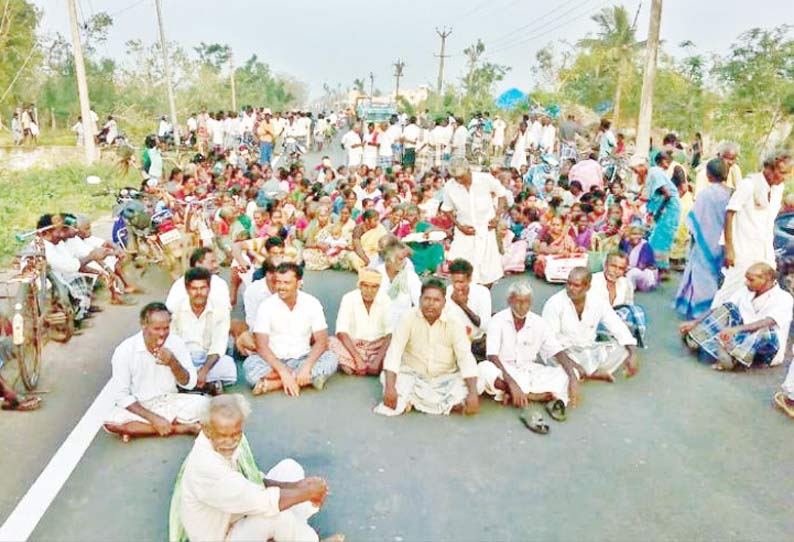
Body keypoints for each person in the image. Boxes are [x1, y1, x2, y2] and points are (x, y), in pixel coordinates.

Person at [171, 395, 335, 542]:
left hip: (236, 515)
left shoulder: (231, 439)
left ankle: (290, 534)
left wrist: (298, 486)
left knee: (290, 468)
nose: (230, 442)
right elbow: (264, 501)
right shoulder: (206, 468)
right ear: (206, 430)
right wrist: (307, 492)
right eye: (222, 436)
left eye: (235, 434)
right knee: (278, 515)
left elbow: (254, 479)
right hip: (221, 535)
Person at [374, 279, 480, 416]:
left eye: (436, 300)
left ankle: (412, 401)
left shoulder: (454, 322)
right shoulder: (407, 318)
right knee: (388, 378)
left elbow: (465, 358)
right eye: (427, 299)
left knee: (479, 377)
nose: (431, 304)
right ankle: (449, 405)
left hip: (445, 378)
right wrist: (390, 388)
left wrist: (473, 393)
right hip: (413, 376)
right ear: (420, 300)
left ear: (444, 303)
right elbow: (394, 352)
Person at [104, 302, 207, 441]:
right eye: (157, 329)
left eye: (166, 328)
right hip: (141, 406)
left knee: (206, 405)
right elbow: (122, 396)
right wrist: (154, 419)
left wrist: (173, 363)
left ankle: (141, 429)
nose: (162, 334)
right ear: (144, 326)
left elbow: (189, 384)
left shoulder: (176, 343)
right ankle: (180, 428)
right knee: (110, 421)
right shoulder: (125, 350)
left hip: (170, 400)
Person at [478, 281, 580, 412]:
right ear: (509, 301)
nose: (522, 307)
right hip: (504, 370)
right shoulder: (497, 321)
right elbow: (492, 356)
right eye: (518, 302)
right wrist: (512, 384)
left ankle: (518, 393)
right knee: (483, 369)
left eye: (526, 302)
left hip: (530, 371)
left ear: (531, 302)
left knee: (571, 371)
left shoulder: (539, 323)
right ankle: (529, 395)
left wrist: (572, 378)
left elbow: (557, 351)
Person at [243, 262, 339, 396]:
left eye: (287, 283)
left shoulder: (312, 303)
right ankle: (305, 379)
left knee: (331, 358)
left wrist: (306, 367)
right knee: (250, 365)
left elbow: (321, 341)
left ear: (299, 283)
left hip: (303, 358)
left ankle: (274, 383)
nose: (281, 287)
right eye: (278, 282)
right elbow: (261, 346)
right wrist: (282, 371)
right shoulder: (266, 306)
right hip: (274, 360)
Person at [712, 149, 790, 306]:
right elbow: (730, 213)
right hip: (743, 251)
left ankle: (742, 325)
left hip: (764, 251)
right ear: (769, 167)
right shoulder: (749, 185)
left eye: (787, 174)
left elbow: (769, 216)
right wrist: (729, 249)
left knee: (765, 292)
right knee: (730, 291)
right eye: (782, 172)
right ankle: (708, 325)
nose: (784, 178)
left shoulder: (777, 189)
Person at [680, 262, 793, 371]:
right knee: (728, 308)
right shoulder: (745, 290)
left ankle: (733, 359)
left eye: (751, 280)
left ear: (767, 280)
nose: (746, 283)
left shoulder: (785, 298)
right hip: (741, 335)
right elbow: (720, 308)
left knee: (764, 331)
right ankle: (701, 339)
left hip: (764, 346)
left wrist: (735, 330)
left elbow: (766, 322)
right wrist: (695, 322)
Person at [542, 267, 639, 380]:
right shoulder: (554, 303)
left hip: (587, 348)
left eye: (576, 285)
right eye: (568, 284)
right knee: (552, 356)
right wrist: (571, 363)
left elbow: (617, 325)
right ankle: (590, 373)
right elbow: (550, 341)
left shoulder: (597, 301)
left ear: (587, 287)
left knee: (622, 350)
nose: (570, 288)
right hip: (563, 351)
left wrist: (633, 353)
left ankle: (583, 373)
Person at [674, 158, 732, 319]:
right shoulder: (731, 194)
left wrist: (694, 236)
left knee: (701, 275)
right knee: (714, 276)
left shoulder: (705, 194)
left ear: (708, 175)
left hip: (704, 241)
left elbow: (694, 219)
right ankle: (709, 308)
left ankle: (699, 311)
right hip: (722, 243)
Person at [170, 267, 237, 394]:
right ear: (187, 289)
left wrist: (204, 371)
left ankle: (187, 385)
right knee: (163, 368)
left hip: (208, 359)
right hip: (183, 359)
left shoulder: (220, 309)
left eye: (203, 288)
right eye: (194, 289)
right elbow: (173, 344)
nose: (199, 293)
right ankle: (205, 386)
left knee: (229, 367)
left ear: (209, 288)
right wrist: (185, 368)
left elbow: (218, 346)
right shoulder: (174, 309)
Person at [442, 157, 506, 286]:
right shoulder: (450, 186)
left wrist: (497, 217)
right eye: (455, 177)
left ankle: (483, 298)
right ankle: (463, 298)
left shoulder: (485, 179)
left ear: (468, 170)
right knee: (459, 267)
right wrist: (459, 226)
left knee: (488, 272)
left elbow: (501, 195)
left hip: (486, 230)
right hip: (465, 232)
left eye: (461, 177)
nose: (458, 180)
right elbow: (447, 209)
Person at [329, 269, 392, 376]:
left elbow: (390, 333)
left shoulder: (385, 300)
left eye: (374, 287)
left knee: (399, 349)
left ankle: (354, 365)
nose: (369, 291)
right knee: (329, 342)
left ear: (379, 288)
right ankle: (364, 364)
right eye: (366, 286)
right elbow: (341, 332)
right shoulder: (349, 298)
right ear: (359, 286)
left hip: (377, 347)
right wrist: (358, 359)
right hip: (354, 346)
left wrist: (377, 360)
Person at [591, 252, 647, 347]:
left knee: (636, 310)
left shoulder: (626, 283)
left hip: (614, 319)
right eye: (613, 266)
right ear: (605, 265)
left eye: (621, 268)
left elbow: (628, 306)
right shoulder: (592, 281)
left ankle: (623, 339)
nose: (616, 271)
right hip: (594, 320)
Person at [445, 258, 492, 360]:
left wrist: (462, 305)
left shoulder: (482, 293)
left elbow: (485, 326)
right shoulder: (448, 291)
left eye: (461, 282)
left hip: (476, 343)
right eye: (454, 282)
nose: (457, 286)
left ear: (470, 279)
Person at [644, 152, 681, 277]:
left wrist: (658, 213)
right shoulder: (656, 172)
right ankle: (659, 268)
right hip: (669, 208)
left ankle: (660, 268)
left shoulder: (655, 172)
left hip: (668, 209)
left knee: (660, 237)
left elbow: (667, 194)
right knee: (660, 237)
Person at [166, 247, 231, 312]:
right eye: (212, 262)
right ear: (198, 264)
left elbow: (225, 309)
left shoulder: (219, 283)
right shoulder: (180, 285)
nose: (216, 265)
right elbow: (170, 309)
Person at [375, 241, 422, 329]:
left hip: (403, 327)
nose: (404, 262)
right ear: (388, 260)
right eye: (400, 259)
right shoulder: (376, 274)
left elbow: (420, 302)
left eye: (405, 258)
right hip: (377, 326)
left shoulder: (410, 276)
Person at [619, 225, 658, 292]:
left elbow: (642, 265)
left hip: (645, 272)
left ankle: (629, 289)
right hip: (630, 269)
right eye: (634, 234)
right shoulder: (627, 243)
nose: (636, 237)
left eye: (639, 234)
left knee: (632, 272)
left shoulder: (645, 245)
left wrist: (626, 269)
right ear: (629, 235)